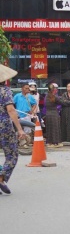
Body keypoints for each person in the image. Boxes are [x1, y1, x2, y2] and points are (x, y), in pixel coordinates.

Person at [0, 64, 26, 195]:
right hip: (3, 125)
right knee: (12, 154)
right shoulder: (5, 91)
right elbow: (10, 109)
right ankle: (1, 177)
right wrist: (20, 129)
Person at [44, 83, 62, 148]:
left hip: (48, 114)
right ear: (53, 89)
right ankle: (56, 143)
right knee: (55, 128)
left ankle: (49, 142)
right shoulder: (54, 96)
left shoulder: (46, 96)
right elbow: (61, 102)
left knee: (49, 129)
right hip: (54, 114)